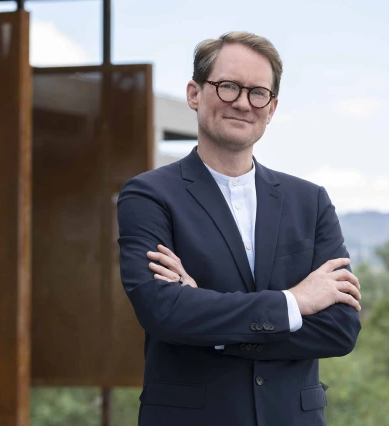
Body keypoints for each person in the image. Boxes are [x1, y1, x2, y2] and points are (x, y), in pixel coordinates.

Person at [117, 31, 362, 426]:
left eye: (257, 92)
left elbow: (339, 330)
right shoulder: (149, 196)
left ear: (272, 107)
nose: (243, 103)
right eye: (228, 87)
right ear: (195, 93)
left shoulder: (310, 201)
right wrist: (295, 302)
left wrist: (210, 323)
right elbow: (164, 311)